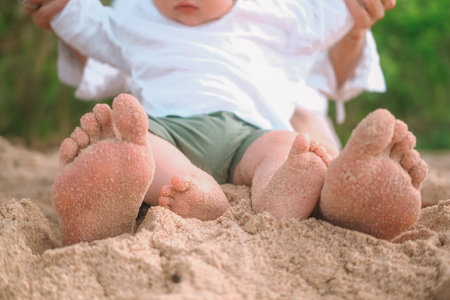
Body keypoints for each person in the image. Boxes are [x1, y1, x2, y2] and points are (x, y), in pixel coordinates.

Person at [26, 0, 427, 246]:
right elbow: (89, 23)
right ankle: (189, 191)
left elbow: (332, 14)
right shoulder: (134, 15)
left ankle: (281, 191)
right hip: (169, 129)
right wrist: (64, 8)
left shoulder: (279, 14)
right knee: (134, 144)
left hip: (251, 131)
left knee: (289, 146)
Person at [26, 0, 389, 159]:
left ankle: (346, 189)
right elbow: (109, 45)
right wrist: (67, 16)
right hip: (173, 118)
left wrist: (354, 28)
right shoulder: (141, 11)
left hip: (273, 114)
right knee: (134, 139)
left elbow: (335, 78)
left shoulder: (287, 16)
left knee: (303, 142)